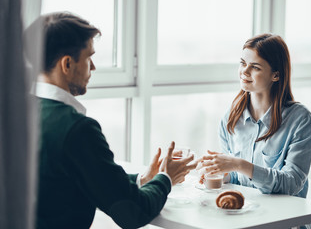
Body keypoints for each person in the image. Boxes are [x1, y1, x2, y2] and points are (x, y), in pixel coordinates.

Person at [25, 12, 196, 229]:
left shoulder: (15, 113)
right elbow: (133, 212)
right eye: (89, 57)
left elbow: (76, 177)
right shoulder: (77, 129)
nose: (93, 67)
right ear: (67, 64)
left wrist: (142, 179)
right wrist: (166, 178)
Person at [198, 33, 311, 199]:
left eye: (255, 67)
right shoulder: (231, 118)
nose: (244, 71)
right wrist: (217, 172)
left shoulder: (300, 120)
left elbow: (292, 184)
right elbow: (236, 178)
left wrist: (238, 164)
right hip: (247, 215)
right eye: (243, 63)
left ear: (276, 75)